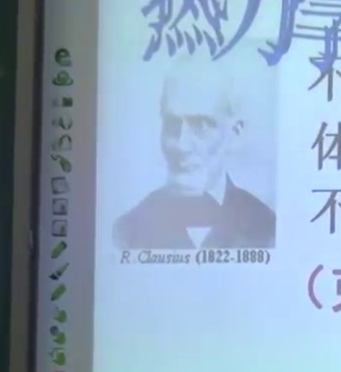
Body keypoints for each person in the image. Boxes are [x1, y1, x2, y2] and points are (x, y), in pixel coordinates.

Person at [113, 58, 276, 250]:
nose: (181, 145)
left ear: (235, 132)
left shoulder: (268, 228)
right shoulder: (127, 231)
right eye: (172, 123)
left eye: (201, 125)